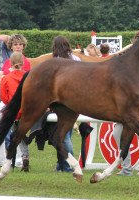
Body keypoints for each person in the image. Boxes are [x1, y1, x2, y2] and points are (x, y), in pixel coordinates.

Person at [52, 36, 81, 172]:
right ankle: (61, 164)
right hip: (75, 99)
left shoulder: (55, 62)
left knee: (65, 136)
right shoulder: (76, 59)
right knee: (62, 135)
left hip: (60, 100)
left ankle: (70, 164)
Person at [0, 51, 30, 172]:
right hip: (26, 111)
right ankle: (25, 157)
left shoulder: (6, 78)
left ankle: (12, 159)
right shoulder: (28, 76)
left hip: (13, 111)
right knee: (21, 135)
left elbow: (3, 98)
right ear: (23, 63)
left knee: (13, 136)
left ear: (10, 63)